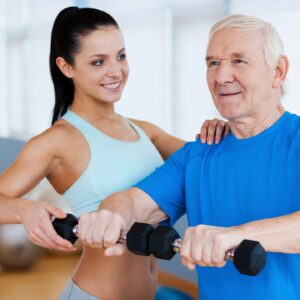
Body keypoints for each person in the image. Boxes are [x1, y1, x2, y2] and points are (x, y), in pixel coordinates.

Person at [0, 6, 227, 300]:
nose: (116, 71)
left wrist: (218, 130)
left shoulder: (146, 132)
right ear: (66, 67)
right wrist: (24, 210)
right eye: (98, 62)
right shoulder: (57, 141)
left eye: (121, 56)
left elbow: (210, 164)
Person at [76, 14, 300, 299]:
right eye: (213, 63)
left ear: (278, 71)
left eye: (238, 61)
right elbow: (133, 202)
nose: (221, 76)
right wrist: (111, 215)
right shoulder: (198, 153)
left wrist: (233, 235)